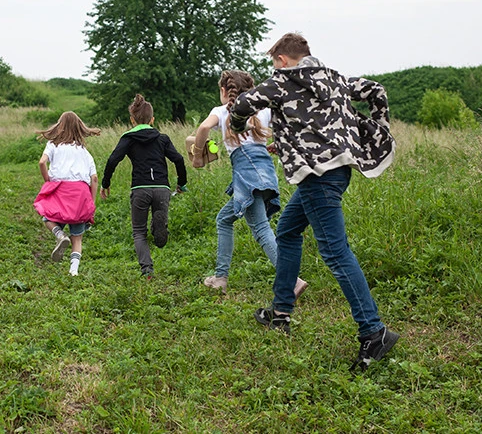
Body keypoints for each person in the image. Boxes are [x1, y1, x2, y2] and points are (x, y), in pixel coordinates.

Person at [229, 33, 398, 371]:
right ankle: (280, 312)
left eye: (274, 63)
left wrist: (234, 125)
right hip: (336, 172)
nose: (274, 68)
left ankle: (373, 331)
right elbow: (375, 91)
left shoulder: (283, 81)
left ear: (281, 60)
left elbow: (244, 103)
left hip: (317, 178)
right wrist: (374, 131)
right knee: (289, 232)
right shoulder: (335, 79)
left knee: (336, 253)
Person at [192, 71, 308, 297]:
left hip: (247, 176)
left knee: (261, 229)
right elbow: (288, 126)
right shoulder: (262, 110)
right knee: (224, 220)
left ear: (225, 91)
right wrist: (276, 143)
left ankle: (292, 281)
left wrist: (197, 156)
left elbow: (203, 128)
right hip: (265, 172)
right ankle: (220, 277)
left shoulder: (221, 111)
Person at [101, 94, 187, 279]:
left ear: (132, 119)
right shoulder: (162, 138)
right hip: (162, 189)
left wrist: (105, 183)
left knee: (139, 232)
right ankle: (159, 227)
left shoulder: (128, 138)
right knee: (158, 226)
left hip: (140, 188)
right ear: (153, 119)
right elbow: (178, 159)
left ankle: (147, 270)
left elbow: (113, 159)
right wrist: (182, 182)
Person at [33, 111, 100, 276]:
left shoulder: (53, 144)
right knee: (77, 237)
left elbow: (42, 162)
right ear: (79, 128)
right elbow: (95, 178)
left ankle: (60, 234)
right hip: (81, 193)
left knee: (47, 216)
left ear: (59, 126)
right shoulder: (84, 151)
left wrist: (47, 179)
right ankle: (73, 271)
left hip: (60, 189)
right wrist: (91, 202)